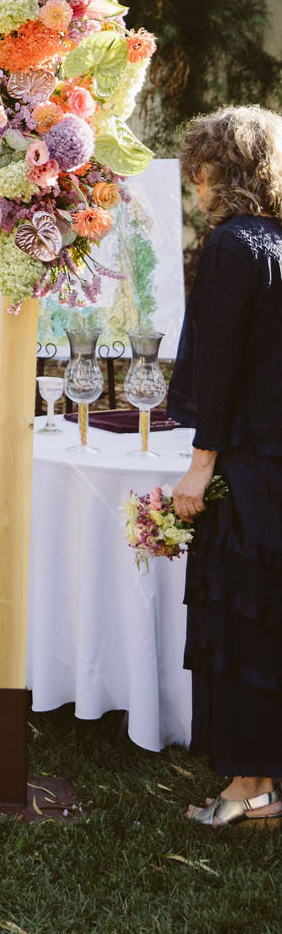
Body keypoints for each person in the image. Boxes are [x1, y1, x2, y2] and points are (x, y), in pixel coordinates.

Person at [167, 107, 282, 828]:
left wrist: (198, 466)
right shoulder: (275, 239)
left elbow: (222, 366)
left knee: (241, 625)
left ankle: (247, 790)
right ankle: (266, 781)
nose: (195, 185)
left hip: (246, 467)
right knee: (268, 622)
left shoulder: (231, 246)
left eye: (198, 170)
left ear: (217, 170)